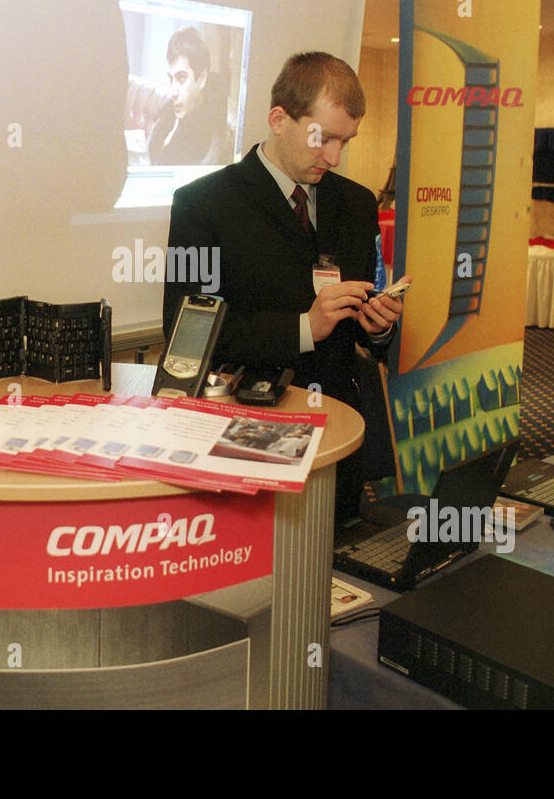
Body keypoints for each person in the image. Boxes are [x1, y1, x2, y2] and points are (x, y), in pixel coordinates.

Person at [163, 52, 408, 526]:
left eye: (345, 142)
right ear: (279, 119)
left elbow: (365, 332)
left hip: (340, 436)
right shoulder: (204, 205)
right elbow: (187, 330)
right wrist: (303, 327)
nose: (334, 158)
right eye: (324, 138)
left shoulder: (357, 205)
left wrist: (377, 329)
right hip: (250, 439)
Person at [147, 26, 229, 166]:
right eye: (171, 79)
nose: (173, 92)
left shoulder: (208, 143)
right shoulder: (168, 116)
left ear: (201, 78)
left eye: (181, 78)